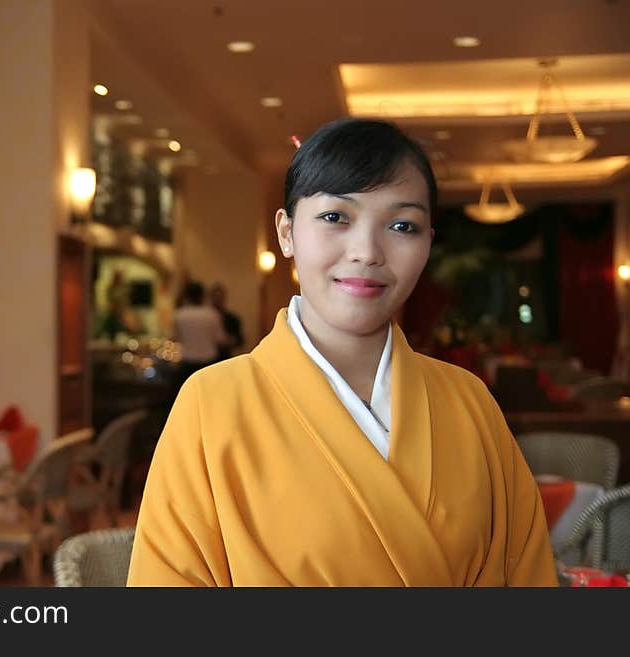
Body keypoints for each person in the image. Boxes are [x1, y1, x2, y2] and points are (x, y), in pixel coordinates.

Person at [128, 118, 557, 586]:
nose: (367, 251)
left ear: (427, 244)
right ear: (287, 233)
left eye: (402, 225)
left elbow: (528, 575)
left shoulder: (470, 402)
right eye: (336, 217)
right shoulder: (210, 404)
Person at [172, 281, 226, 387]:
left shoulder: (180, 314)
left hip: (187, 362)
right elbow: (220, 339)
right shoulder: (212, 314)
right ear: (202, 296)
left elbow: (176, 338)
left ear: (187, 296)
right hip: (209, 362)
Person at [210, 282, 244, 360]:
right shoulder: (205, 319)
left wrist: (229, 341)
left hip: (225, 357)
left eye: (220, 297)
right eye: (216, 297)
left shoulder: (232, 318)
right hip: (207, 360)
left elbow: (240, 339)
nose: (218, 299)